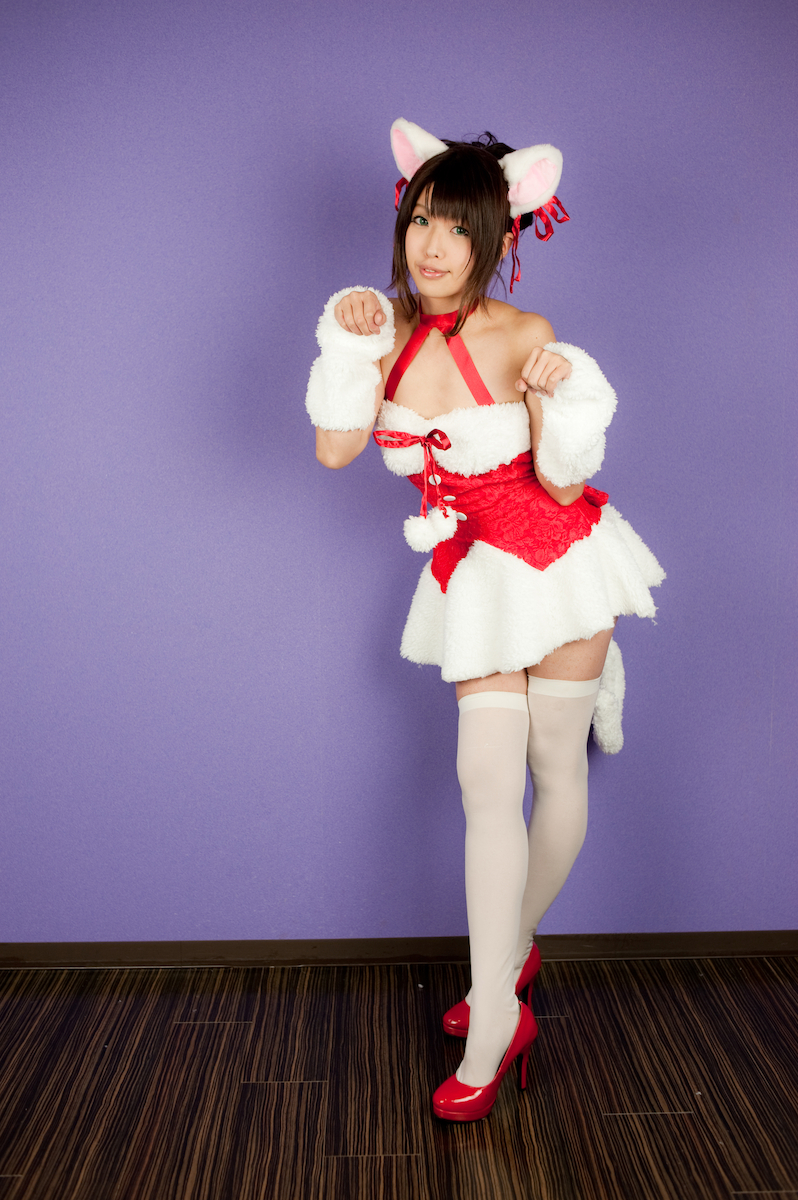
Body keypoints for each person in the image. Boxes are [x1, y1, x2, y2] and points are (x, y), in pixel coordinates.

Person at [306, 119, 664, 1122]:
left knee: (554, 770)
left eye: (459, 228)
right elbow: (336, 450)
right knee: (484, 788)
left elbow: (564, 480)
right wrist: (347, 343)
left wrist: (563, 395)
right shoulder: (378, 329)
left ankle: (494, 998)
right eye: (423, 219)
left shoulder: (527, 333)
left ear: (498, 237)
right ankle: (504, 1000)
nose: (434, 246)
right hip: (475, 580)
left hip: (562, 563)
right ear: (403, 220)